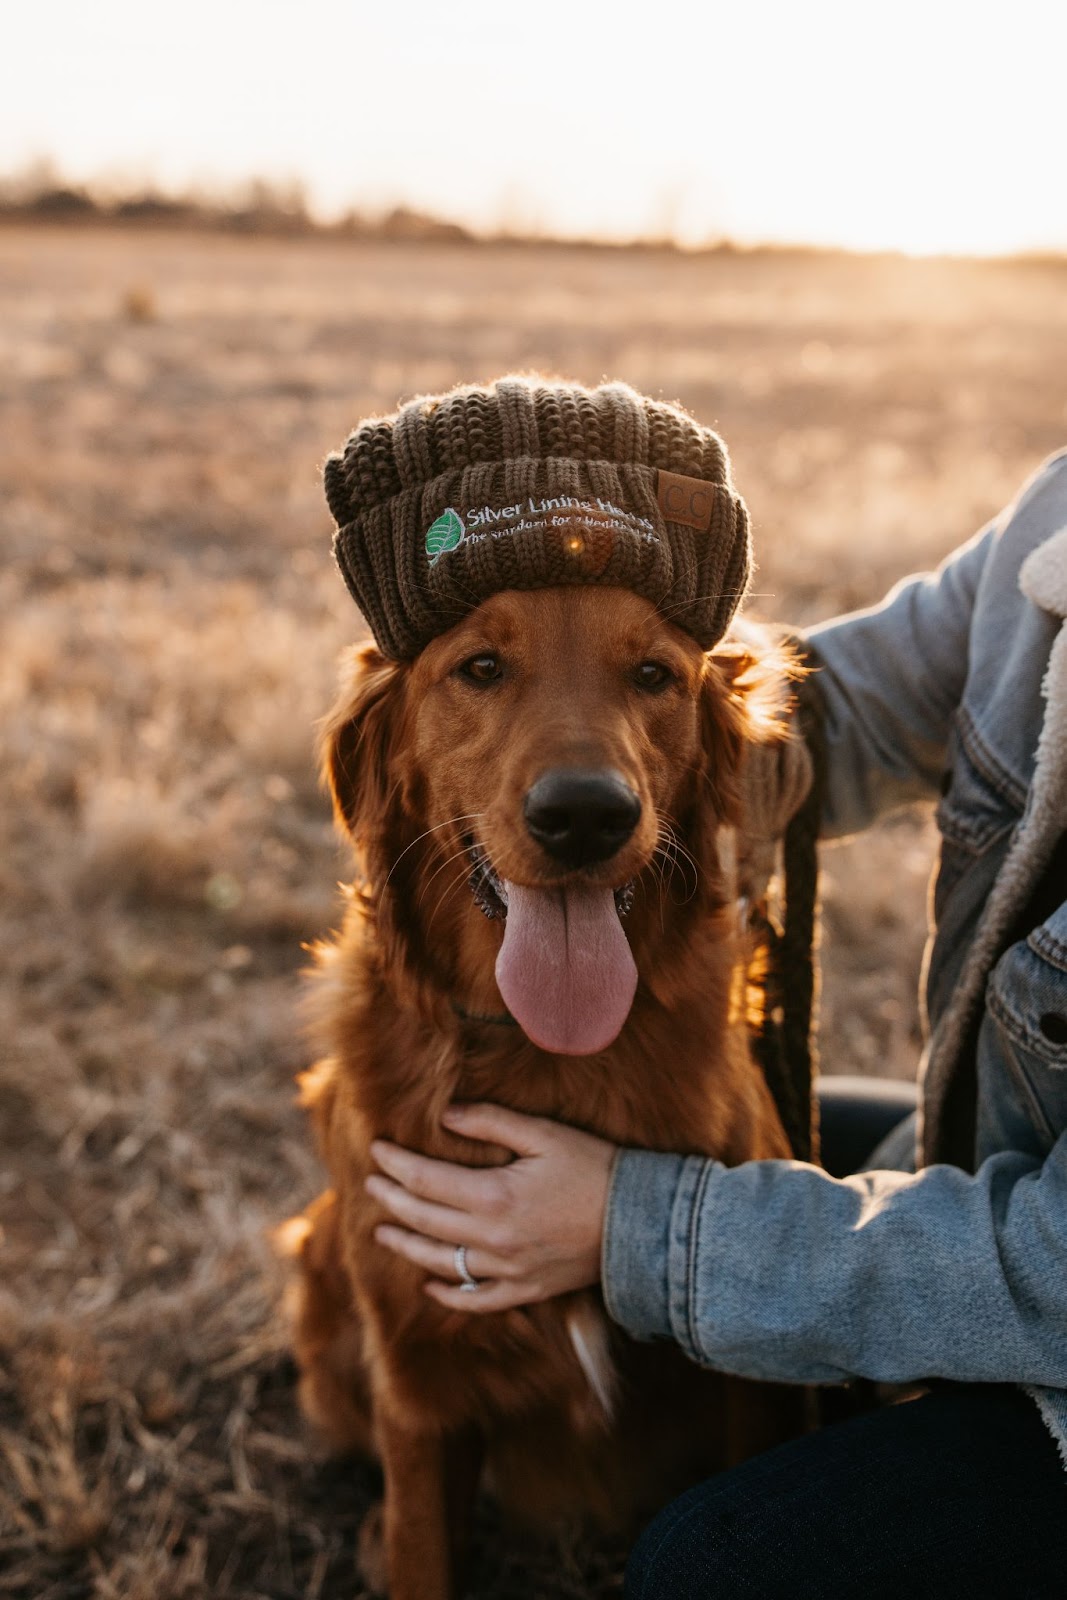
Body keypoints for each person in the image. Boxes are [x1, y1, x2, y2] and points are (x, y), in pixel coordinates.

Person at [363, 449, 1067, 1598]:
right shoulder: (1058, 517)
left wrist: (644, 1230)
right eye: (480, 669)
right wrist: (574, 543)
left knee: (712, 1565)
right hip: (1015, 1161)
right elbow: (837, 703)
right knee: (805, 1141)